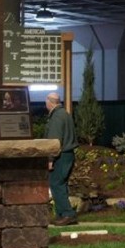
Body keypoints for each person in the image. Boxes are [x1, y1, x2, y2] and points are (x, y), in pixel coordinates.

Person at [46, 92, 79, 226]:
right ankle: (61, 214)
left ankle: (67, 214)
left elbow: (54, 140)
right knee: (62, 184)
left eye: (46, 102)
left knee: (56, 184)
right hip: (68, 154)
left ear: (50, 102)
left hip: (60, 155)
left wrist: (50, 159)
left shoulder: (57, 117)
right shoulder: (65, 114)